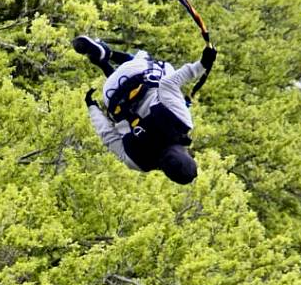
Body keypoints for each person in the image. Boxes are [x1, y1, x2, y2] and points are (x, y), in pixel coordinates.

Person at [73, 35, 217, 184]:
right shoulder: (140, 163)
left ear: (189, 155)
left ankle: (109, 55)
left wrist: (201, 66)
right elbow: (108, 136)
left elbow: (168, 84)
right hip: (110, 93)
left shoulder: (181, 123)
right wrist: (92, 107)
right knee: (126, 110)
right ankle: (102, 62)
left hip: (136, 71)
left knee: (163, 69)